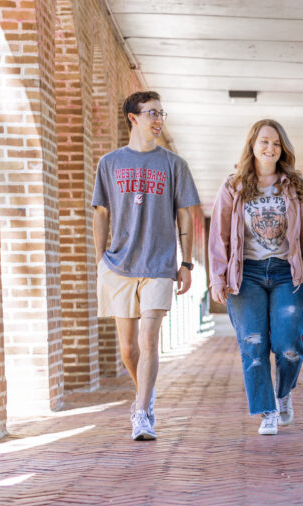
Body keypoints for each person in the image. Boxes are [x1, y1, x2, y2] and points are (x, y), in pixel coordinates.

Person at [92, 90, 201, 441]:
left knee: (149, 337)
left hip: (158, 263)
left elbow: (185, 214)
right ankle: (146, 393)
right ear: (133, 118)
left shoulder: (174, 164)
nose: (158, 120)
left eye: (161, 113)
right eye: (151, 113)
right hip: (120, 263)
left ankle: (142, 412)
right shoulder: (109, 163)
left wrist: (185, 261)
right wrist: (99, 260)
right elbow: (101, 212)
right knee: (128, 348)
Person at [209, 119, 303, 435]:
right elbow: (218, 235)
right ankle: (267, 412)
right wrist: (217, 277)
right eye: (264, 142)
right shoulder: (233, 185)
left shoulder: (295, 186)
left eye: (275, 143)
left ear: (282, 148)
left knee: (289, 344)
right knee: (253, 344)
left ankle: (283, 392)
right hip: (245, 276)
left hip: (286, 274)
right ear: (252, 145)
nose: (270, 148)